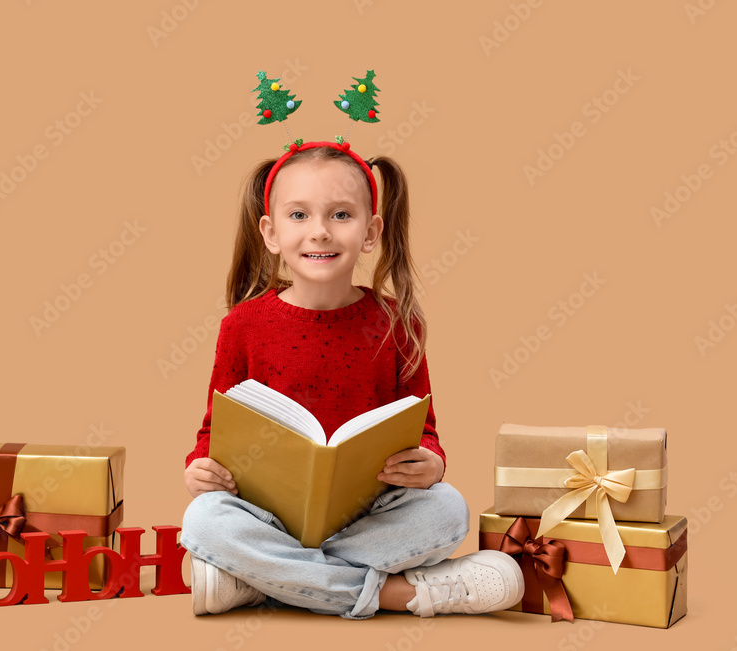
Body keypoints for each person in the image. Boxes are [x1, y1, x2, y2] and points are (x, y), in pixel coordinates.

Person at [180, 141, 524, 620]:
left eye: (340, 215)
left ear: (370, 232)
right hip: (268, 517)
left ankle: (261, 581)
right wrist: (199, 466)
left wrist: (432, 463)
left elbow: (424, 430)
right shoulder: (242, 325)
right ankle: (399, 595)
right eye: (298, 215)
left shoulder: (396, 323)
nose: (319, 232)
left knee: (447, 509)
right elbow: (212, 433)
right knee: (204, 520)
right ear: (271, 232)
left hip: (369, 515)